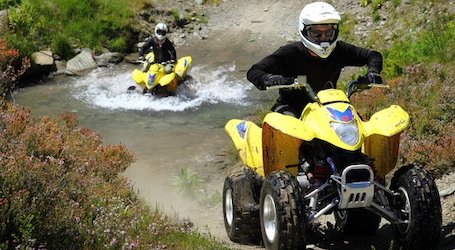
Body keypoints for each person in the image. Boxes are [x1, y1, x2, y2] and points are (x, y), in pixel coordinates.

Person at [247, 1, 383, 117]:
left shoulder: (340, 50)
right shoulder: (289, 53)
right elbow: (254, 71)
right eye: (316, 34)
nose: (323, 38)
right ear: (305, 31)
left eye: (328, 33)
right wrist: (272, 79)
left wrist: (373, 72)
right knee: (287, 130)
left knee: (357, 125)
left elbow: (373, 56)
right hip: (291, 109)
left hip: (327, 107)